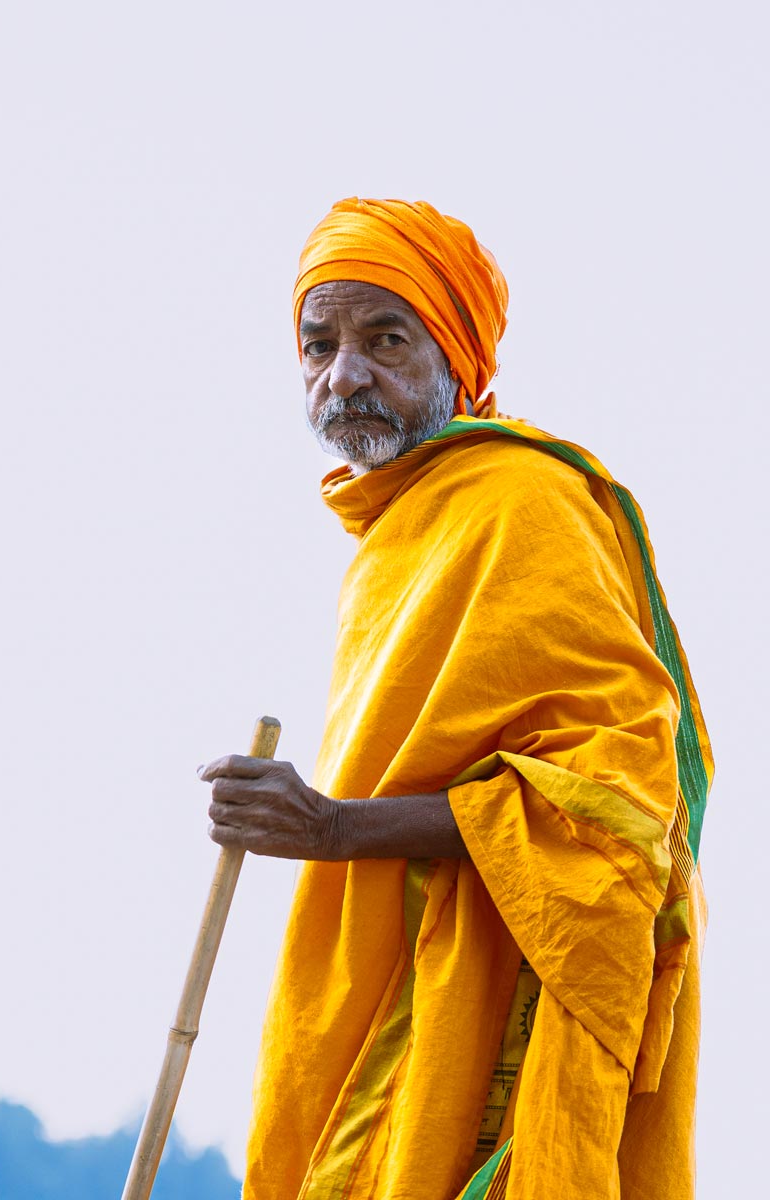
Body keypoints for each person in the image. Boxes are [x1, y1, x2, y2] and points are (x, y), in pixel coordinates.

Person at [198, 198, 712, 1200]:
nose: (343, 376)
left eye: (385, 338)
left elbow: (614, 809)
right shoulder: (394, 528)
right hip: (363, 977)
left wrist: (332, 826)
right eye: (318, 345)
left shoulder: (526, 506)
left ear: (458, 354)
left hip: (484, 1008)